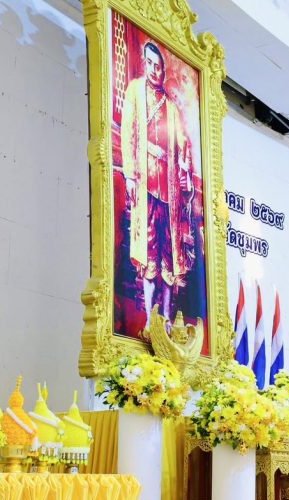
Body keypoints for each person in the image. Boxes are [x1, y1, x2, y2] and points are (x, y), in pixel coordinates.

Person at [120, 41, 200, 336]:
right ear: (145, 64)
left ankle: (165, 317)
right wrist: (130, 175)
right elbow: (128, 134)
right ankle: (149, 317)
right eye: (150, 65)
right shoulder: (135, 92)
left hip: (169, 193)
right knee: (148, 250)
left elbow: (184, 147)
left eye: (159, 66)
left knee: (168, 254)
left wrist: (185, 172)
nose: (155, 71)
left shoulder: (171, 108)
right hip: (146, 188)